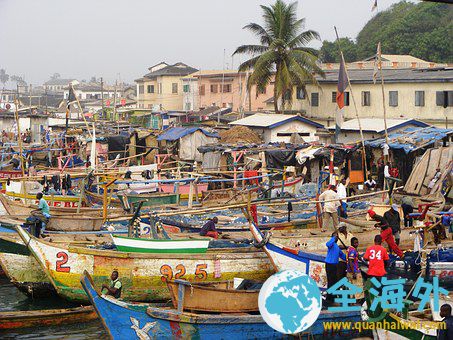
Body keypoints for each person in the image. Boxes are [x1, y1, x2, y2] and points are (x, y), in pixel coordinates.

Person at [325, 231, 346, 306]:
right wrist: (333, 237)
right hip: (329, 265)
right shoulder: (331, 244)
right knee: (331, 282)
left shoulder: (336, 247)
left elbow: (342, 256)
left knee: (334, 282)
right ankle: (329, 300)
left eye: (337, 236)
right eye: (336, 236)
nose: (337, 237)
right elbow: (327, 244)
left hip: (334, 266)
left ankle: (332, 299)